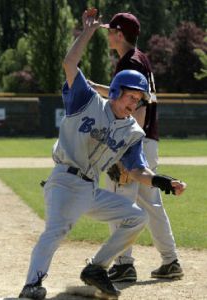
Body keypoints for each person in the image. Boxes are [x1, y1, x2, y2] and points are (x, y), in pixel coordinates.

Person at [18, 8, 186, 300]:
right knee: (57, 231)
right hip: (63, 181)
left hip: (89, 189)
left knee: (136, 217)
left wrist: (162, 181)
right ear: (116, 90)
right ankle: (32, 284)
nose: (134, 104)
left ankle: (97, 268)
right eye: (130, 96)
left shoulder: (132, 131)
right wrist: (88, 31)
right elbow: (70, 62)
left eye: (138, 100)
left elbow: (137, 171)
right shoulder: (86, 100)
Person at [88, 12, 184, 282]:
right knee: (152, 204)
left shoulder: (129, 61)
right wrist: (95, 87)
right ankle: (171, 260)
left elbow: (137, 105)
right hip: (148, 140)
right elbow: (127, 93)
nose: (108, 34)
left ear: (120, 34)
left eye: (110, 30)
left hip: (134, 142)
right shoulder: (139, 59)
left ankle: (124, 264)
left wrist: (124, 149)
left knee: (118, 201)